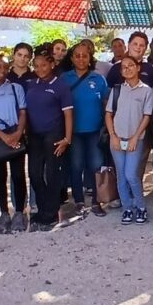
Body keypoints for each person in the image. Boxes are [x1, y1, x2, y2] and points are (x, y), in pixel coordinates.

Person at [24, 47, 73, 231]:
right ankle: (44, 207)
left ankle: (51, 212)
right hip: (35, 136)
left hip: (54, 134)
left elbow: (68, 114)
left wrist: (67, 138)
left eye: (44, 65)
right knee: (35, 174)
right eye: (36, 66)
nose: (40, 69)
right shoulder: (31, 84)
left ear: (51, 64)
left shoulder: (60, 85)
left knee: (52, 174)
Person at [105, 56, 153, 225]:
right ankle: (127, 208)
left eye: (131, 65)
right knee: (121, 177)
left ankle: (140, 207)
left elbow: (147, 116)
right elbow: (109, 114)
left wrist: (135, 137)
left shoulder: (146, 90)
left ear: (138, 67)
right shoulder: (117, 89)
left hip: (136, 139)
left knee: (131, 175)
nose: (127, 69)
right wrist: (113, 136)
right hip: (117, 139)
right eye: (124, 67)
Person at [61, 42, 109, 216]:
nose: (81, 59)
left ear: (90, 58)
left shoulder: (99, 79)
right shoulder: (64, 79)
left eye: (85, 55)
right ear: (72, 59)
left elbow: (106, 104)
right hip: (73, 132)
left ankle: (96, 201)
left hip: (95, 130)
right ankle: (79, 201)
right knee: (76, 166)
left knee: (96, 166)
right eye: (77, 56)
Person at [0, 54, 28, 233]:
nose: (1, 70)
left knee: (18, 176)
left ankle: (19, 212)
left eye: (5, 67)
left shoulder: (16, 88)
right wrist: (2, 136)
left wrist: (17, 133)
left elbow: (23, 112)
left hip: (15, 134)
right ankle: (4, 213)